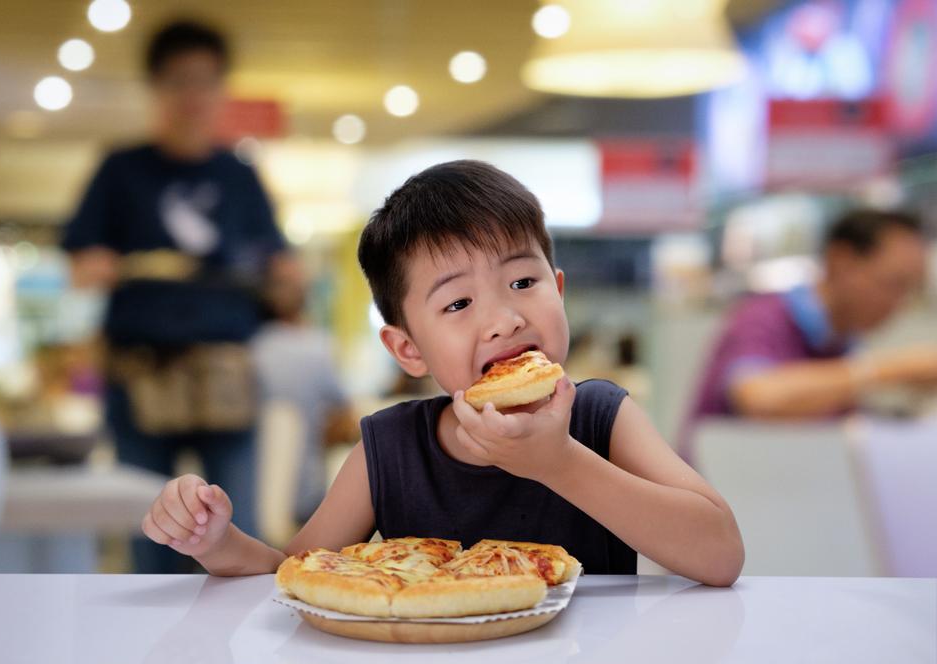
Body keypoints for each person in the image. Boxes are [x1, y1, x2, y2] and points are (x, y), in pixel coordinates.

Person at [140, 161, 744, 586]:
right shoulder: (389, 449)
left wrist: (558, 462)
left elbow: (720, 554)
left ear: (558, 291)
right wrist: (215, 542)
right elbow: (293, 575)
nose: (504, 319)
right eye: (458, 304)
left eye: (523, 282)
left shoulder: (601, 417)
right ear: (407, 349)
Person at [62, 21, 292, 572]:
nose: (194, 96)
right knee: (152, 533)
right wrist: (129, 265)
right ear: (156, 86)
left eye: (207, 81)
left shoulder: (239, 175)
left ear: (221, 88)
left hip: (226, 375)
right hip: (142, 374)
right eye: (180, 81)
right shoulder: (121, 170)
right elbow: (81, 264)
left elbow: (283, 269)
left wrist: (282, 278)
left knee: (239, 531)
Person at [684, 209, 937, 456]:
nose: (898, 303)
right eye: (893, 284)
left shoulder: (843, 342)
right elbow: (760, 400)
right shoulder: (762, 317)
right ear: (842, 261)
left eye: (910, 290)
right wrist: (893, 370)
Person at [250, 260, 359, 523]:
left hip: (245, 491)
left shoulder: (249, 348)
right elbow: (348, 416)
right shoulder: (317, 347)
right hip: (306, 496)